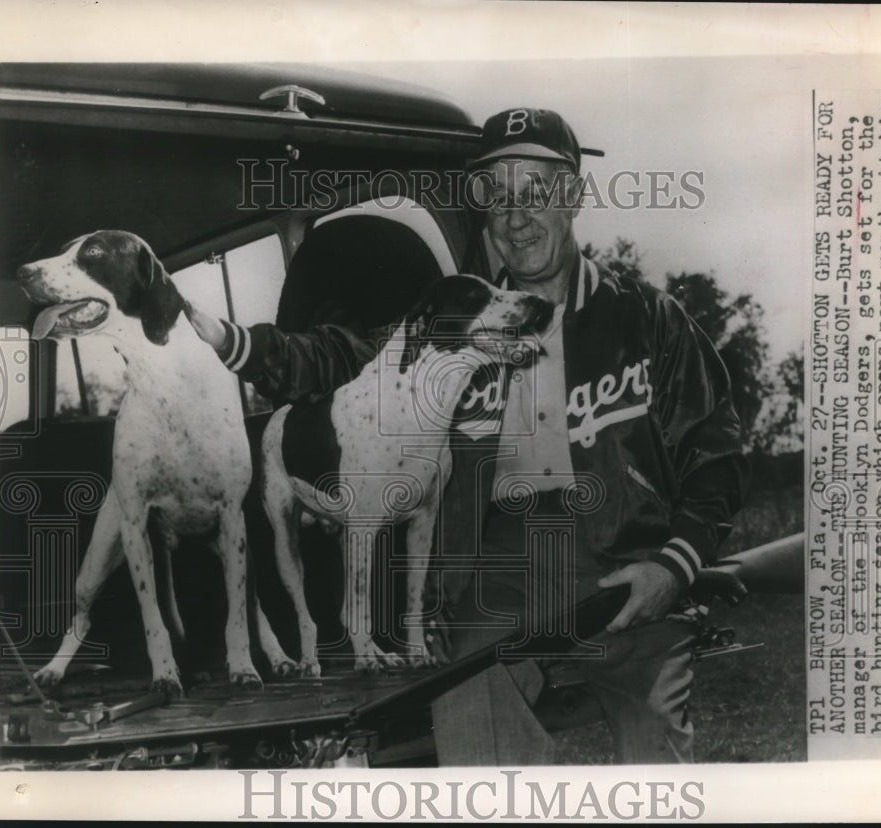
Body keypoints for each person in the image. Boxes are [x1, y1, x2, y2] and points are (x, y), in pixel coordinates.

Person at [188, 108, 749, 765]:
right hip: (494, 597)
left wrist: (673, 564)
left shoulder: (648, 321)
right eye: (496, 197)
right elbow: (335, 361)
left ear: (571, 196)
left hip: (629, 589)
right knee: (470, 727)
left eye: (535, 193)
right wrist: (231, 342)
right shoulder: (450, 324)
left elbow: (717, 456)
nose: (515, 218)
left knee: (656, 759)